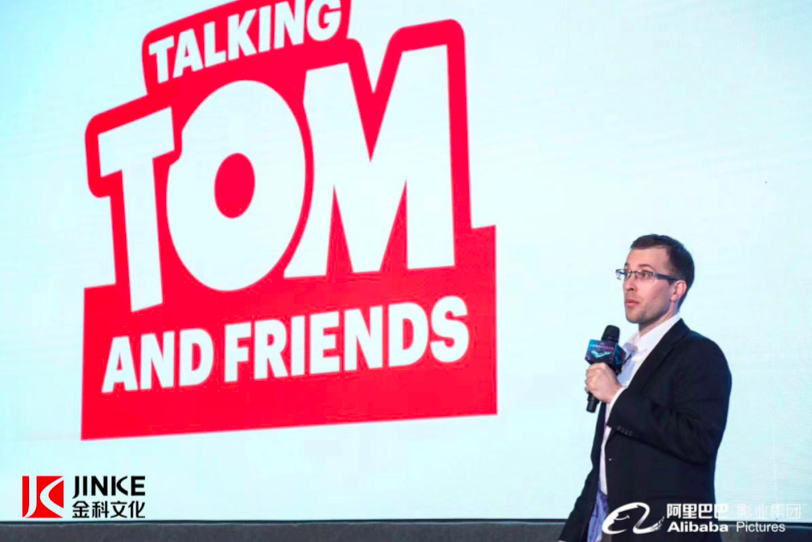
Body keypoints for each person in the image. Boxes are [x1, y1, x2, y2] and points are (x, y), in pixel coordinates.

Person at [559, 234, 732, 542]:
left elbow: (697, 441)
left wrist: (616, 396)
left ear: (676, 289)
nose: (630, 284)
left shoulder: (699, 354)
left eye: (645, 274)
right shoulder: (624, 357)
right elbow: (602, 468)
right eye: (626, 273)